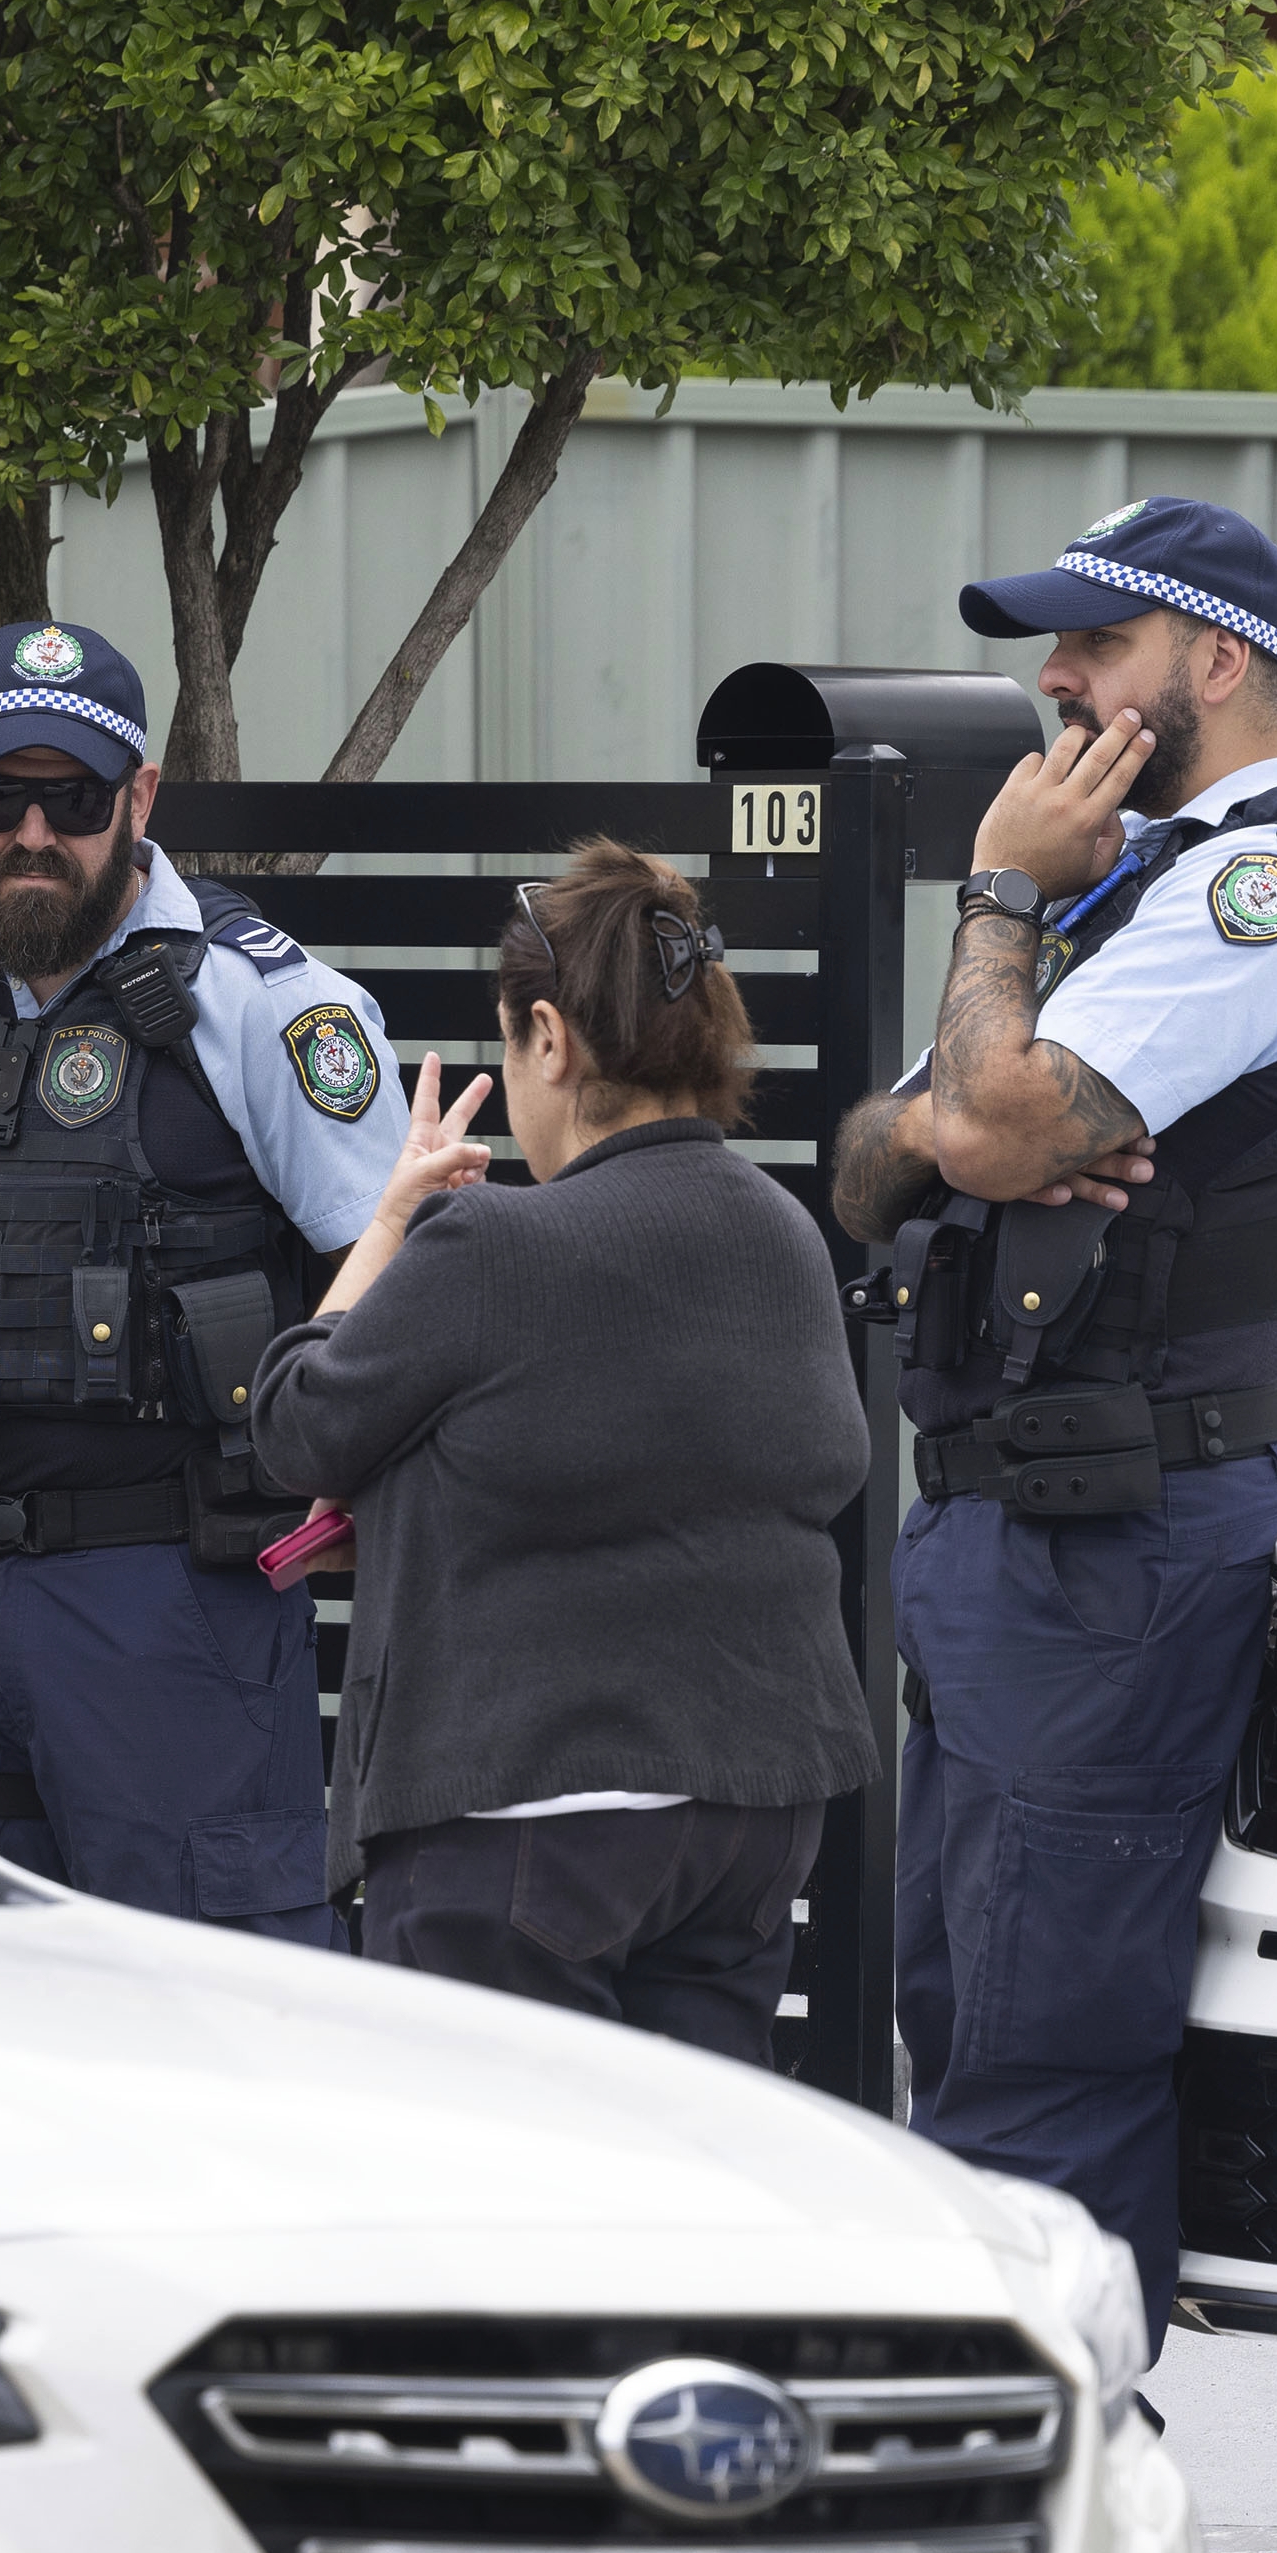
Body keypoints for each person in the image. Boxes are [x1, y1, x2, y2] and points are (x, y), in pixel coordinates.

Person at [826, 496, 1277, 2324]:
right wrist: (960, 1115)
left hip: (1121, 1540)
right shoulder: (1122, 896)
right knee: (961, 2015)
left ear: (1216, 660)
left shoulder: (1267, 885)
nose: (1055, 684)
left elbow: (987, 1127)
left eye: (1092, 647)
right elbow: (864, 1163)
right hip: (1013, 1539)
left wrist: (995, 912)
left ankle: (1070, 2474)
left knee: (1040, 2047)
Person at [0, 619, 404, 1940]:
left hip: (164, 1600)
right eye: (0, 795)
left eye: (72, 797)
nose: (32, 833)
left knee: (204, 2011)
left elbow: (390, 1270)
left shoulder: (268, 1009)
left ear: (139, 798)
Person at [247, 842, 873, 2062]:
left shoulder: (491, 1242)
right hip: (748, 1810)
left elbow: (295, 1422)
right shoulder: (782, 1236)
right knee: (676, 2194)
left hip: (524, 1814)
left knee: (504, 2214)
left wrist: (387, 1221)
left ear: (548, 1034)